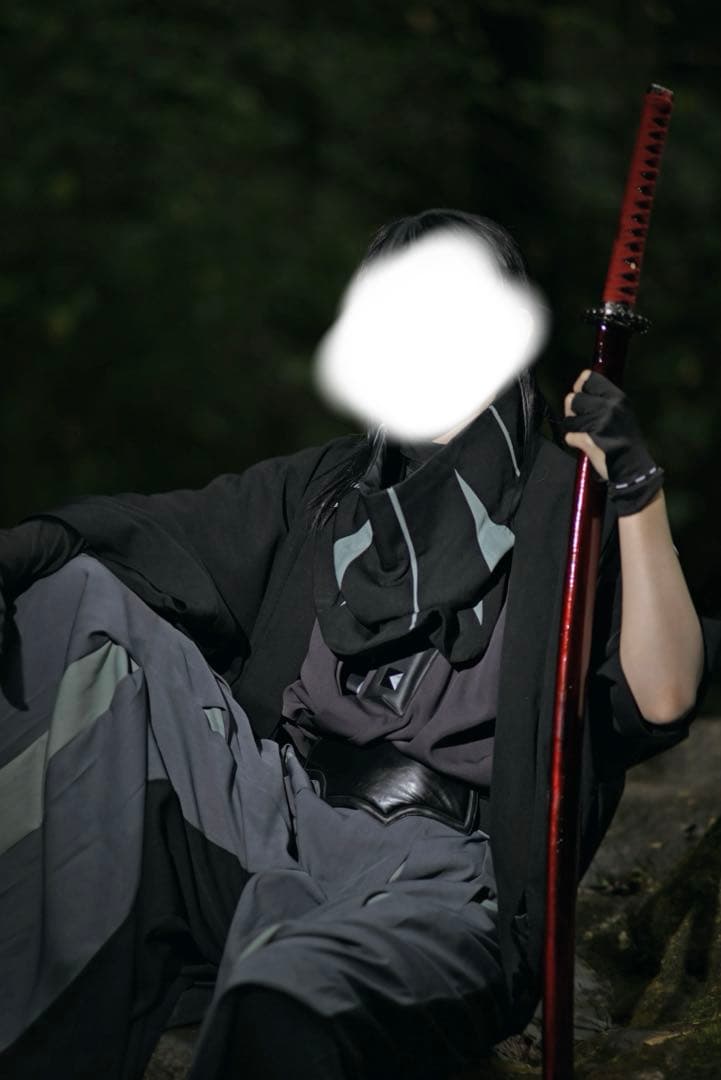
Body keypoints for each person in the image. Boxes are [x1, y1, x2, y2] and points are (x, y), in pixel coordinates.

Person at [0, 209, 718, 1080]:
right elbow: (150, 535)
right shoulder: (332, 486)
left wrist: (636, 492)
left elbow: (662, 695)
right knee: (71, 596)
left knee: (285, 1001)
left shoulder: (564, 510)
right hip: (268, 816)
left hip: (435, 879)